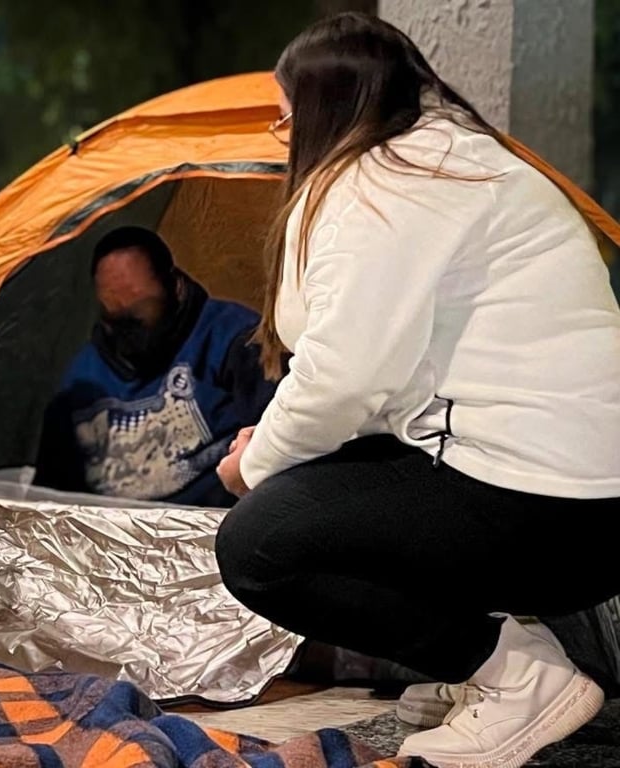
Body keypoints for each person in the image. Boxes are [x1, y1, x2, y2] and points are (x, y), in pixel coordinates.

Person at [213, 13, 620, 768]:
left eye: (286, 115)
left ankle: (519, 679)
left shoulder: (388, 180)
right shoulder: (447, 160)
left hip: (552, 508)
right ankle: (494, 664)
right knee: (312, 485)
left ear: (328, 107)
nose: (283, 132)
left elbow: (345, 373)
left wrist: (256, 464)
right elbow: (387, 378)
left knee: (261, 542)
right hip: (571, 496)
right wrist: (276, 446)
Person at [33, 226, 278, 508]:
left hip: (208, 528)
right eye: (114, 310)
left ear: (175, 287)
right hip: (101, 536)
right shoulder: (83, 377)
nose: (128, 322)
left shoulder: (234, 340)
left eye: (140, 306)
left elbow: (276, 448)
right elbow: (49, 492)